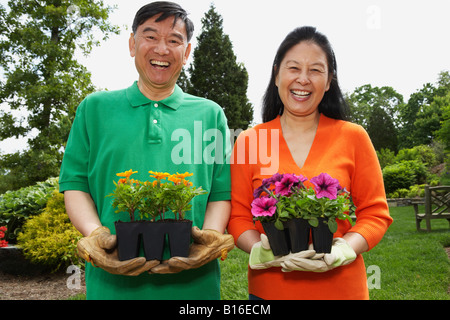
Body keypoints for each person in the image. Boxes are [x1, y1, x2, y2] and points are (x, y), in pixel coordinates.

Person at [59, 1, 233, 300]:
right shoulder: (94, 109)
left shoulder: (210, 114)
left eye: (174, 40)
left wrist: (210, 236)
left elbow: (220, 191)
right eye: (150, 36)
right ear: (132, 43)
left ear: (187, 52)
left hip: (195, 288)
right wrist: (95, 234)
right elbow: (75, 185)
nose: (162, 49)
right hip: (112, 286)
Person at [227, 26, 393, 300]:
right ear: (277, 73)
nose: (303, 79)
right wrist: (260, 249)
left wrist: (345, 248)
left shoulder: (353, 137)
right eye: (294, 68)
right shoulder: (249, 140)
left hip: (342, 290)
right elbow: (238, 216)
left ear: (329, 82)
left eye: (316, 70)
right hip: (270, 292)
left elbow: (375, 213)